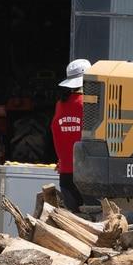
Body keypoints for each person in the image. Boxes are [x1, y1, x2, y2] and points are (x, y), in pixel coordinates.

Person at [51, 58, 90, 212]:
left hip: (65, 175)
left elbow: (57, 134)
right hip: (87, 174)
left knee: (73, 218)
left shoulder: (60, 105)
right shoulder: (88, 104)